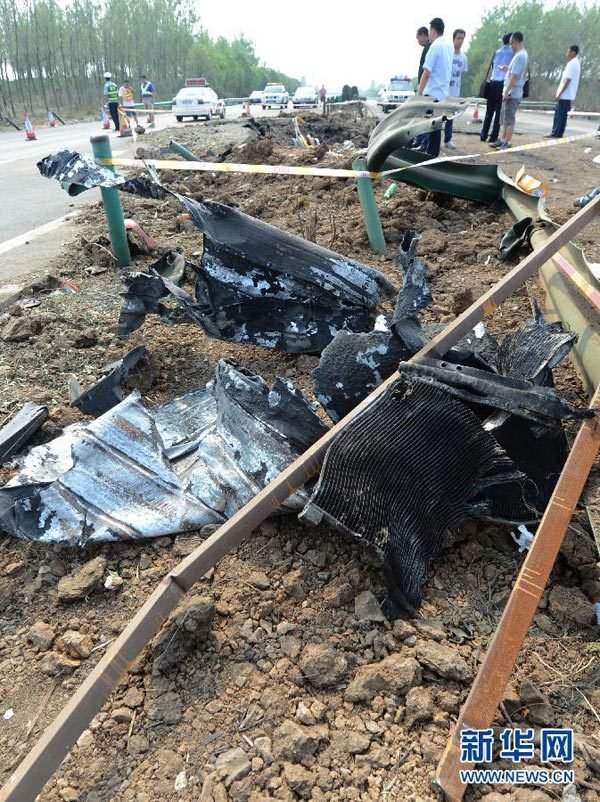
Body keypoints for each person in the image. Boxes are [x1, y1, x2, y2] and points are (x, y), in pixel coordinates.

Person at [417, 17, 453, 158]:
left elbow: (427, 73)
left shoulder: (435, 46)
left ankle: (428, 156)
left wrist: (419, 93)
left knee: (428, 127)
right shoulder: (449, 47)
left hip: (431, 94)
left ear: (432, 30)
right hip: (442, 94)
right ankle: (433, 156)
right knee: (436, 128)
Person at [491, 31, 529, 150]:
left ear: (516, 41)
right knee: (505, 117)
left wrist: (507, 91)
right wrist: (507, 69)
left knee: (509, 118)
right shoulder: (522, 55)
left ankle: (506, 142)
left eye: (511, 43)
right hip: (513, 91)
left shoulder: (519, 56)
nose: (510, 45)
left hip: (513, 92)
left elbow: (515, 76)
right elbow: (513, 72)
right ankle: (503, 139)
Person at [481, 33, 513, 144]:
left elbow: (493, 66)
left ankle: (483, 134)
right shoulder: (512, 53)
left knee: (489, 111)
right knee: (499, 112)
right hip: (502, 83)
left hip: (493, 82)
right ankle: (493, 136)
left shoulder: (497, 52)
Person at [546, 46, 580, 138]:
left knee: (560, 116)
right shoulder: (576, 63)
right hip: (568, 95)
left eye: (568, 52)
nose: (566, 54)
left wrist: (559, 94)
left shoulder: (572, 64)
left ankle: (556, 133)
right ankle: (558, 133)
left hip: (565, 94)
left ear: (573, 53)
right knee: (562, 115)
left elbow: (567, 80)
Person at [444, 29, 468, 149]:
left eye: (462, 38)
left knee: (450, 117)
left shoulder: (463, 58)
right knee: (439, 116)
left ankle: (448, 139)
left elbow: (462, 74)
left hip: (455, 91)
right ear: (453, 39)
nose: (460, 41)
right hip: (444, 91)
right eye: (458, 38)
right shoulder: (448, 54)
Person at [412, 26, 431, 150]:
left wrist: (421, 88)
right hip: (424, 86)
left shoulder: (429, 48)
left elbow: (426, 71)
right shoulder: (427, 48)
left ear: (424, 35)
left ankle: (423, 142)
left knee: (423, 116)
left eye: (418, 38)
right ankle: (420, 140)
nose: (418, 41)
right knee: (421, 115)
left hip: (426, 88)